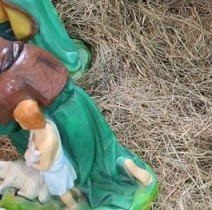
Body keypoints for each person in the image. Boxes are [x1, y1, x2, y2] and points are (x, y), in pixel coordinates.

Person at [0, 37, 156, 209]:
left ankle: (85, 197)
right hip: (76, 105)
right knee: (103, 155)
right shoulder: (26, 53)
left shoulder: (9, 87)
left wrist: (32, 160)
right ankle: (121, 167)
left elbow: (45, 157)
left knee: (83, 172)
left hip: (68, 125)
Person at [14, 99, 79, 209]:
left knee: (62, 191)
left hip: (55, 172)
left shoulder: (46, 144)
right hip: (59, 165)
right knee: (67, 182)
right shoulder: (47, 124)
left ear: (27, 123)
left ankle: (73, 206)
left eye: (20, 122)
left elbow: (45, 166)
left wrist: (31, 163)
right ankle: (75, 190)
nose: (19, 124)